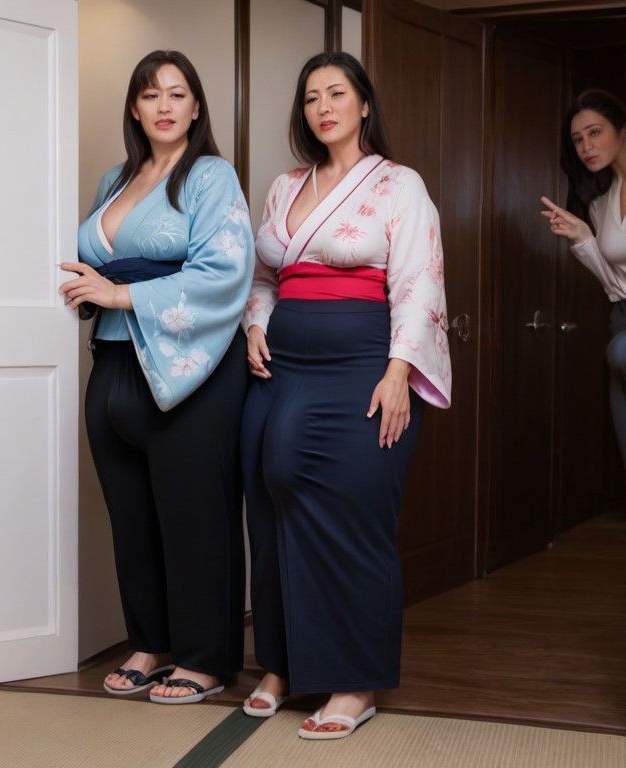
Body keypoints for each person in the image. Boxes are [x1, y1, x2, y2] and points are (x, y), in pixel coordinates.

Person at [239, 51, 451, 739]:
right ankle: (282, 665)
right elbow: (264, 277)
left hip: (361, 368)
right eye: (311, 97)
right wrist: (256, 325)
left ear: (363, 104)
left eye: (336, 93)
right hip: (280, 370)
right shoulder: (284, 187)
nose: (323, 107)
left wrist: (398, 372)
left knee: (352, 519)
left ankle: (355, 684)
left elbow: (419, 281)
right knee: (270, 509)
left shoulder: (399, 184)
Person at [60, 50, 254, 704]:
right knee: (131, 516)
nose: (164, 106)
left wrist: (118, 293)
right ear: (135, 108)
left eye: (177, 94)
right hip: (114, 360)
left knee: (196, 516)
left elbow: (224, 270)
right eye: (151, 95)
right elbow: (88, 267)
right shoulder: (113, 180)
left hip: (191, 369)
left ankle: (205, 656)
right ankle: (151, 642)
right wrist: (96, 293)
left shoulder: (210, 176)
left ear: (196, 107)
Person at [540, 89, 626, 496]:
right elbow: (613, 285)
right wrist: (583, 239)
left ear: (625, 129)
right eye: (578, 139)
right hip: (624, 318)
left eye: (595, 133)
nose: (586, 147)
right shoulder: (600, 203)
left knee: (624, 354)